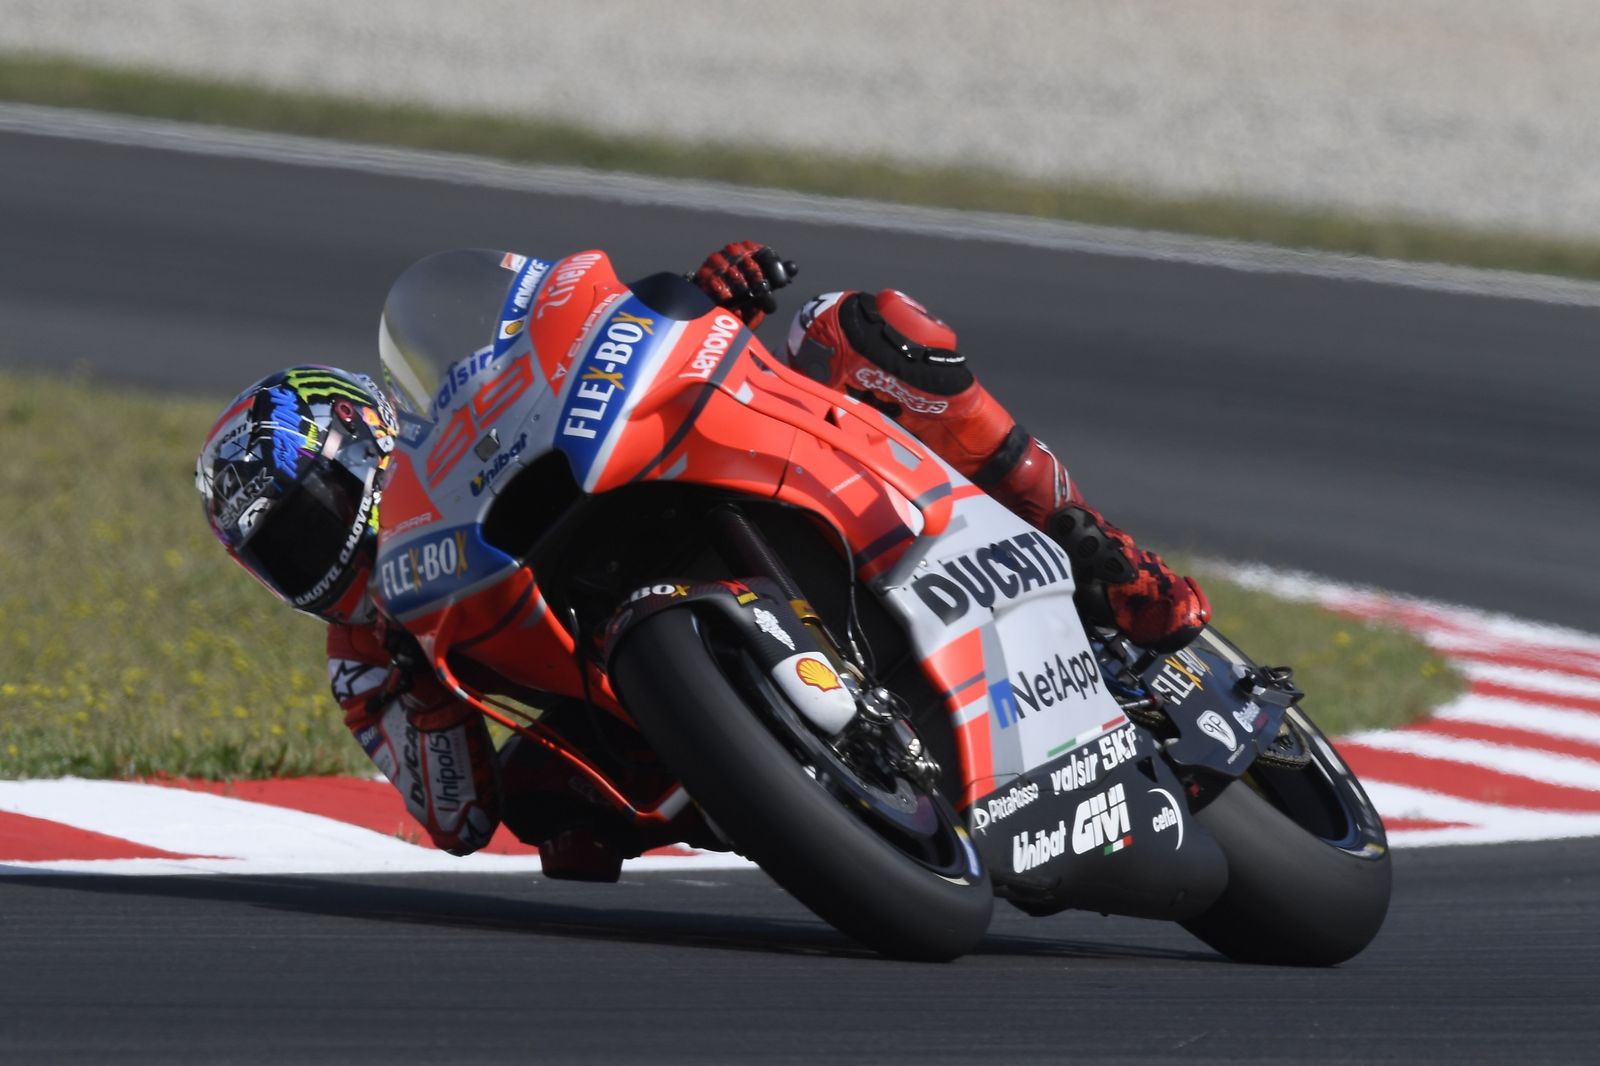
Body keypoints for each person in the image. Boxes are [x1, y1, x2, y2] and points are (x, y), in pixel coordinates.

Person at [195, 241, 1209, 879]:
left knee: (867, 328)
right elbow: (455, 817)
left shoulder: (446, 445)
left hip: (673, 495)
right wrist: (418, 679)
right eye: (281, 550)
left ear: (369, 442)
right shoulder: (361, 661)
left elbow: (567, 338)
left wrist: (705, 302)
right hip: (619, 697)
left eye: (313, 511)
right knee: (560, 822)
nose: (315, 552)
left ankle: (1097, 548)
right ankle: (787, 786)